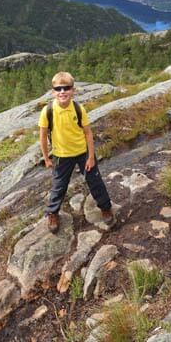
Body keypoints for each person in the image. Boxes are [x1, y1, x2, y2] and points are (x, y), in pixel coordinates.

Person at [39, 71, 115, 232]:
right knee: (59, 186)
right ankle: (53, 213)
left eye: (66, 88)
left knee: (95, 182)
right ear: (53, 92)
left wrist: (91, 157)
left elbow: (88, 133)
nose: (62, 92)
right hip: (61, 155)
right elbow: (43, 136)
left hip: (83, 153)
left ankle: (105, 208)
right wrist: (46, 158)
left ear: (73, 90)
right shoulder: (48, 111)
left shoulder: (79, 109)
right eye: (58, 89)